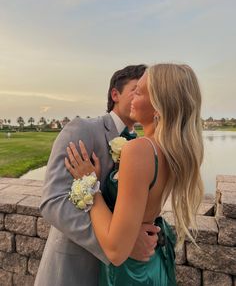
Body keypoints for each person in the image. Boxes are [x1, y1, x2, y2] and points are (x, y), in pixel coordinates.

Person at [65, 63, 204, 285]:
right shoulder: (171, 150)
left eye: (138, 92)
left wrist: (88, 181)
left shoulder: (140, 150)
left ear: (158, 106)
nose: (132, 98)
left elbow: (115, 249)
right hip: (153, 263)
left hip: (130, 273)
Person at [35, 65, 159, 286]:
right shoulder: (82, 129)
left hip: (119, 275)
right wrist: (122, 244)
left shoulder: (142, 145)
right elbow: (53, 201)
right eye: (136, 89)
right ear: (115, 94)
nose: (145, 96)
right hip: (75, 269)